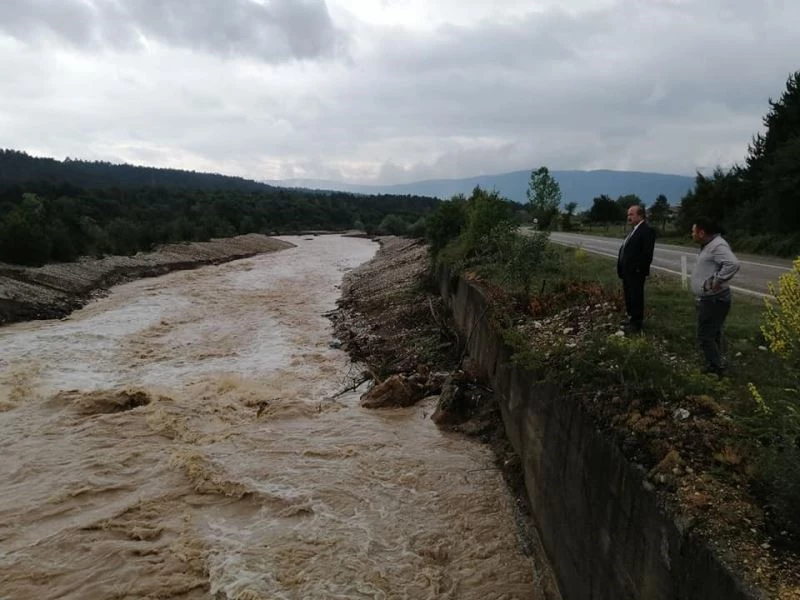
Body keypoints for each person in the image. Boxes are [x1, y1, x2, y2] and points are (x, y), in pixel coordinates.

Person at [690, 217, 740, 376]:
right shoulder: (709, 245)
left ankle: (714, 367)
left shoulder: (717, 245)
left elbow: (733, 264)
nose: (692, 234)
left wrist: (717, 280)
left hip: (714, 299)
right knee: (713, 333)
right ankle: (717, 362)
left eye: (693, 231)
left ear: (702, 232)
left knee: (705, 335)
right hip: (709, 298)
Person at [617, 204, 656, 333]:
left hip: (636, 272)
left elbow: (647, 254)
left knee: (636, 297)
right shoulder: (634, 230)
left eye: (631, 214)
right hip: (627, 272)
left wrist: (639, 269)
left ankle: (636, 324)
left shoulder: (646, 230)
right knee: (629, 296)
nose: (629, 217)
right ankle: (631, 318)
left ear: (640, 215)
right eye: (628, 214)